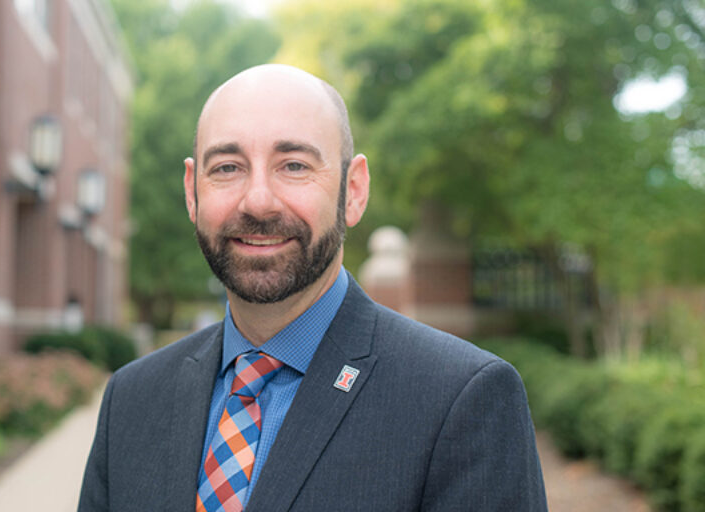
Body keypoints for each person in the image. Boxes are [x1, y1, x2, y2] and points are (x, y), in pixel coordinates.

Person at [78, 64, 547, 511]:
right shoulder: (131, 400)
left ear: (354, 190)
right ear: (191, 191)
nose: (257, 200)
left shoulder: (462, 400)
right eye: (226, 168)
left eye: (295, 165)